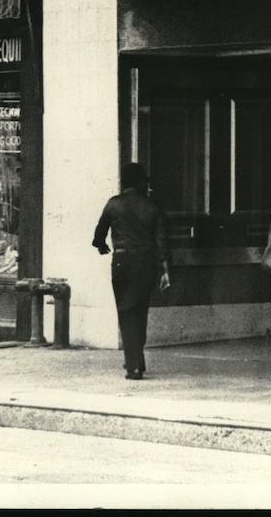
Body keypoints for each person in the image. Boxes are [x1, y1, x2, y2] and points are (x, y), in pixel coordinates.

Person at [92, 162, 171, 380]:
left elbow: (99, 233)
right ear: (140, 183)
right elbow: (162, 240)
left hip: (122, 261)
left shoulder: (113, 204)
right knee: (140, 309)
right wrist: (165, 269)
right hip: (146, 263)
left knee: (126, 311)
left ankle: (134, 365)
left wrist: (102, 246)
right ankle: (135, 358)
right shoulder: (153, 206)